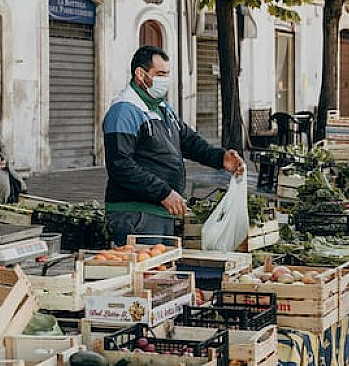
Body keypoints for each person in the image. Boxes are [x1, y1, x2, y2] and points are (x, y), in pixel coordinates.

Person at [103, 46, 245, 246]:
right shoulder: (124, 111)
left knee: (163, 265)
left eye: (167, 74)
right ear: (140, 74)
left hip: (161, 210)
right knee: (147, 265)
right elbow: (120, 165)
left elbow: (188, 141)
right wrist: (163, 193)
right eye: (160, 74)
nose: (166, 80)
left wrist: (220, 158)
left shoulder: (161, 107)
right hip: (136, 214)